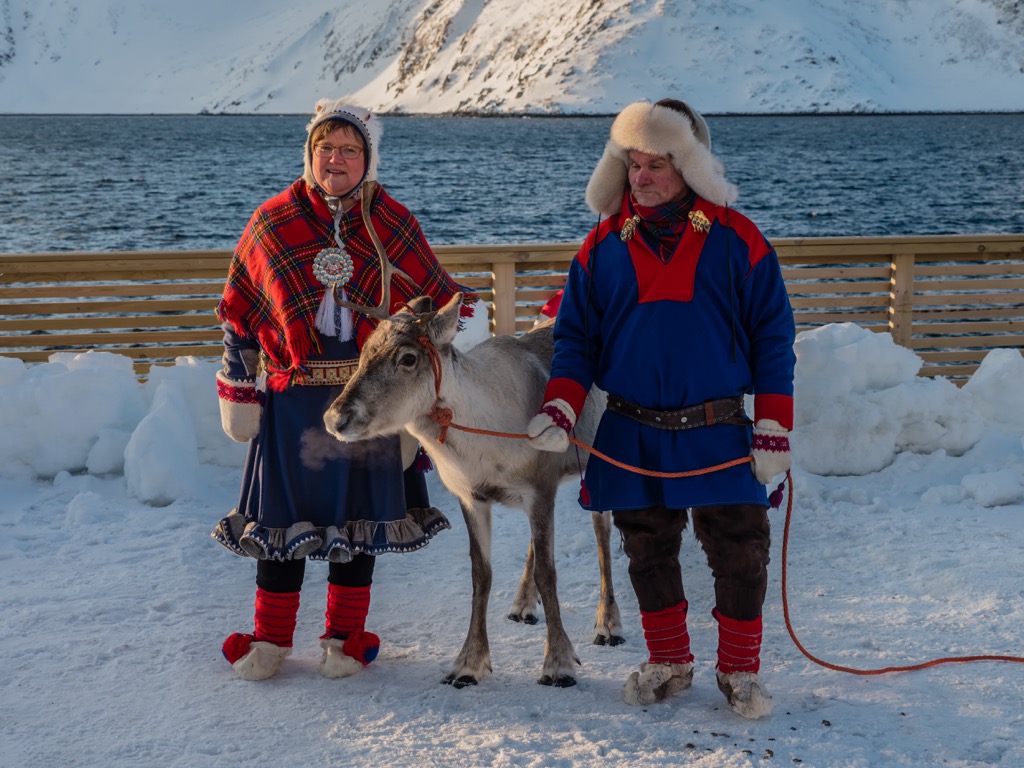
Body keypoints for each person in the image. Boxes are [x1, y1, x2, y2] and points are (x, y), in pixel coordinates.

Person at [526, 99, 795, 718]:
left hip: (720, 425)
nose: (640, 177)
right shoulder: (599, 247)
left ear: (690, 166)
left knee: (740, 548)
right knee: (645, 547)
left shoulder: (739, 239)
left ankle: (741, 672)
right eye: (633, 164)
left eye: (656, 165)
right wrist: (562, 405)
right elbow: (576, 341)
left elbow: (772, 337)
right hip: (632, 428)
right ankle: (670, 660)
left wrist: (774, 424)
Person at [212, 99, 475, 681]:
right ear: (309, 155)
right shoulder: (271, 223)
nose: (336, 159)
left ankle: (344, 638)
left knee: (357, 525)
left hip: (371, 402)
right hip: (293, 400)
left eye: (349, 149)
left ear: (368, 158)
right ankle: (271, 640)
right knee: (283, 521)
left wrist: (421, 409)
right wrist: (238, 385)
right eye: (325, 148)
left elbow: (428, 320)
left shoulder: (394, 223)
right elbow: (239, 313)